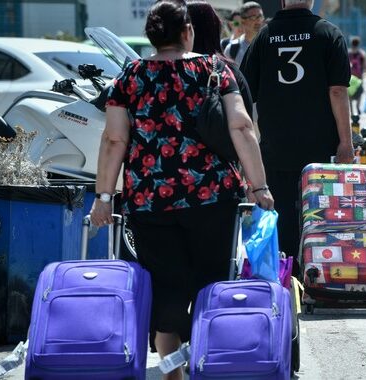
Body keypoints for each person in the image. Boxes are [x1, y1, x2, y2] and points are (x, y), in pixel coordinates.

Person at [89, 1, 273, 379]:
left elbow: (113, 140)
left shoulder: (129, 76)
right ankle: (204, 364)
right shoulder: (214, 69)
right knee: (210, 285)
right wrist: (259, 185)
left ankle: (173, 374)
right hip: (212, 198)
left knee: (165, 289)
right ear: (187, 31)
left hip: (150, 202)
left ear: (151, 36)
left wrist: (104, 198)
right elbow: (240, 127)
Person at [240, 0, 354, 274]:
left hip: (276, 145)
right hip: (320, 147)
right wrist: (346, 142)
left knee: (284, 216)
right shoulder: (328, 33)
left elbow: (244, 93)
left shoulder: (264, 37)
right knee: (319, 213)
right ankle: (319, 273)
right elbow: (337, 91)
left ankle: (286, 274)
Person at [348, 35, 366, 115]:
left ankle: (352, 110)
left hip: (350, 77)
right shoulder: (362, 53)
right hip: (359, 77)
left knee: (349, 93)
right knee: (359, 92)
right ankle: (357, 106)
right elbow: (365, 66)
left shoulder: (348, 53)